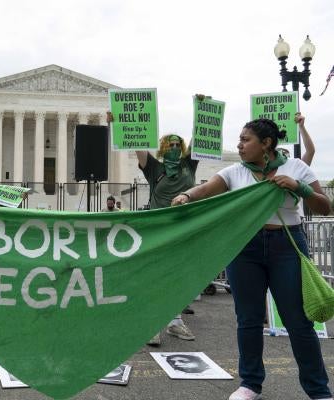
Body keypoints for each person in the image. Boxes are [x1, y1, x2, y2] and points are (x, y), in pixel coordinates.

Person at [171, 118, 332, 400]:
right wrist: (186, 195)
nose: (239, 145)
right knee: (248, 319)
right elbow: (205, 190)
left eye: (246, 140)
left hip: (287, 245)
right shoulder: (235, 171)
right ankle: (250, 384)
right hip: (245, 248)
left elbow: (324, 206)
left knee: (298, 321)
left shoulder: (296, 167)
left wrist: (299, 187)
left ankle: (318, 390)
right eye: (240, 139)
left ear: (266, 143)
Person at [108, 111, 198, 345]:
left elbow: (201, 137)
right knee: (156, 276)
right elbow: (136, 144)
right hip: (158, 229)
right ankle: (151, 325)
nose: (174, 147)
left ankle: (175, 322)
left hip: (184, 228)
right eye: (170, 144)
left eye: (178, 144)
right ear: (162, 147)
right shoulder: (154, 168)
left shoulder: (189, 166)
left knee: (179, 277)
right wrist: (117, 124)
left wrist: (201, 108)